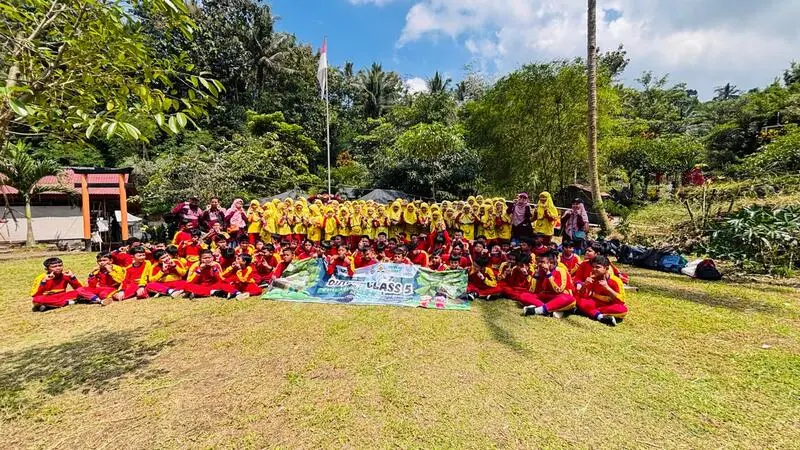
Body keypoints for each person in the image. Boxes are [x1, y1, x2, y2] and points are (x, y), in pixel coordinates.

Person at [575, 255, 627, 326]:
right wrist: (584, 285)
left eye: (598, 267)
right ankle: (600, 317)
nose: (594, 269)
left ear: (606, 268)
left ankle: (588, 311)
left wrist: (607, 288)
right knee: (577, 298)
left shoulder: (616, 280)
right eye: (593, 267)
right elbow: (583, 295)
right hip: (595, 303)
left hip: (608, 305)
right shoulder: (592, 278)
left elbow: (621, 300)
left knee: (622, 310)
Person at [521, 252, 577, 318]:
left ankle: (536, 310)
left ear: (550, 262)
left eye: (542, 262)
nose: (539, 264)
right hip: (545, 297)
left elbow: (558, 290)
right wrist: (535, 276)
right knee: (524, 295)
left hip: (558, 296)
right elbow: (532, 291)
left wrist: (548, 273)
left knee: (570, 299)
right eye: (539, 262)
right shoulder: (540, 271)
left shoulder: (560, 271)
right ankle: (550, 309)